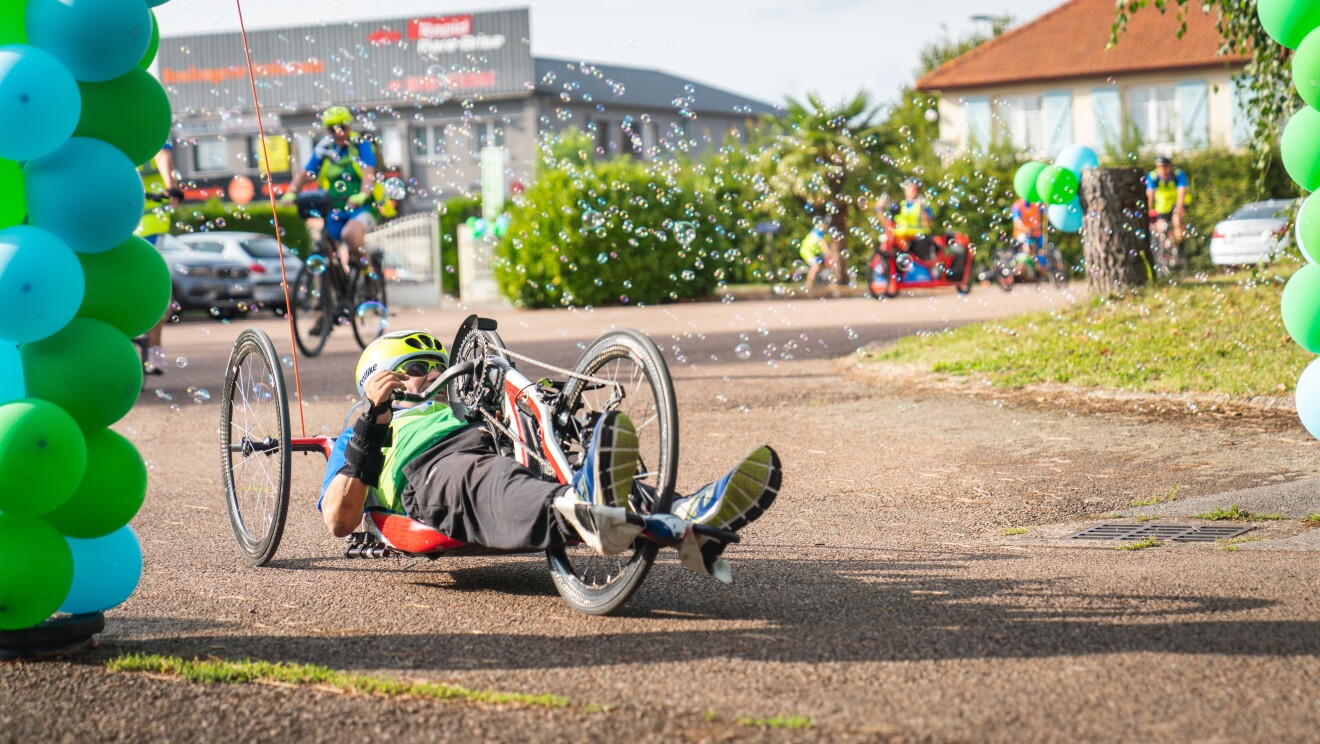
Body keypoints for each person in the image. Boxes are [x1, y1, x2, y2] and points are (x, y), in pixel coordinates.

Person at [320, 330, 782, 572]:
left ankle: (684, 509)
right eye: (417, 368)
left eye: (441, 367)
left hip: (502, 440)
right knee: (485, 481)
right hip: (432, 467)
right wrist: (372, 420)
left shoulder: (463, 403)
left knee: (560, 448)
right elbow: (340, 520)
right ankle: (581, 505)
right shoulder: (364, 427)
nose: (435, 375)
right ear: (379, 379)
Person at [279, 105, 380, 271]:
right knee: (323, 250)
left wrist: (363, 193)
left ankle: (368, 273)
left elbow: (368, 171)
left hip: (363, 207)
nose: (338, 132)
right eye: (333, 129)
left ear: (349, 126)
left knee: (350, 234)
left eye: (342, 127)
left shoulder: (360, 145)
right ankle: (324, 292)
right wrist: (291, 192)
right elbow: (305, 173)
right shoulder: (324, 149)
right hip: (334, 208)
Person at [136, 142, 183, 376]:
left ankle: (155, 350)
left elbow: (163, 156)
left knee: (151, 285)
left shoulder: (150, 130)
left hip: (151, 224)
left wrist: (170, 185)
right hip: (119, 219)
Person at [1145, 155, 1189, 246]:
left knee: (1177, 221)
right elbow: (1150, 194)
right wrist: (1149, 209)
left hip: (1177, 203)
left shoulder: (1178, 174)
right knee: (1161, 227)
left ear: (1170, 167)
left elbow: (1181, 192)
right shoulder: (1153, 176)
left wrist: (1179, 208)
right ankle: (1166, 247)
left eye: (1165, 167)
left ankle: (1179, 247)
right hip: (1162, 206)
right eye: (1160, 168)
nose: (1163, 170)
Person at [1010, 197, 1046, 280]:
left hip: (1036, 234)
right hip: (1022, 234)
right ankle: (1037, 267)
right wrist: (1026, 229)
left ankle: (1043, 268)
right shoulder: (1017, 206)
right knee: (1029, 249)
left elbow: (1045, 215)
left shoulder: (1037, 204)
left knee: (1043, 249)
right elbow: (1017, 222)